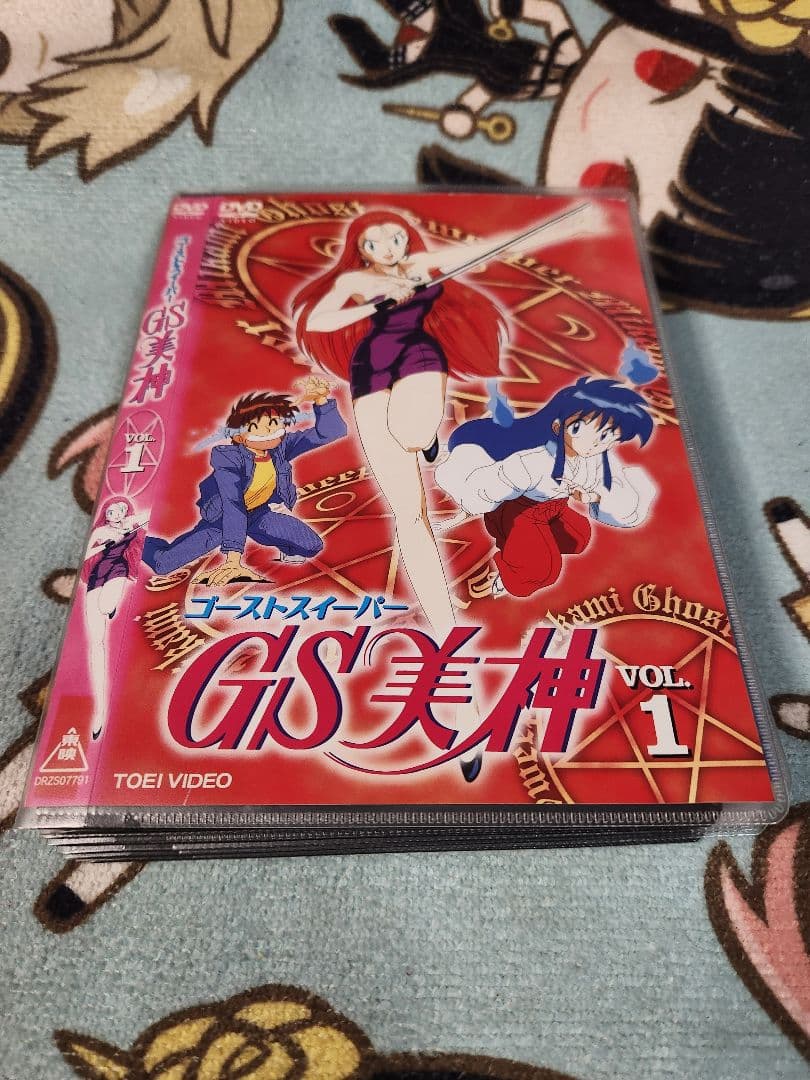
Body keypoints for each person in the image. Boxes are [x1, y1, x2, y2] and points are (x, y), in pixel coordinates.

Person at [294, 206, 600, 778]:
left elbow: (495, 243)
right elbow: (322, 319)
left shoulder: (424, 266)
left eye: (394, 236)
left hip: (418, 361)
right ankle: (461, 699)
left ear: (405, 238)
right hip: (369, 375)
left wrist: (571, 228)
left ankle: (430, 441)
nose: (387, 246)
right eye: (374, 241)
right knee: (409, 519)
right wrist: (374, 304)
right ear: (361, 248)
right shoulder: (354, 279)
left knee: (412, 434)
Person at [435, 376, 655, 597]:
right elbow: (493, 484)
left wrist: (593, 497)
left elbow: (615, 492)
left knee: (579, 537)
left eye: (607, 436)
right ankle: (509, 569)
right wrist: (472, 507)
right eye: (579, 428)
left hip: (554, 508)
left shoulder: (597, 459)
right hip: (519, 511)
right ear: (559, 426)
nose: (595, 443)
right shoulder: (534, 461)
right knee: (542, 571)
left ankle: (519, 548)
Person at [142, 376, 347, 587]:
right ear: (240, 436)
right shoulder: (228, 458)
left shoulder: (280, 448)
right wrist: (233, 560)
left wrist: (321, 400)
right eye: (261, 427)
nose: (271, 430)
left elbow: (332, 432)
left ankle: (280, 543)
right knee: (163, 564)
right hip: (222, 519)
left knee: (311, 545)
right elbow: (233, 505)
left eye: (274, 423)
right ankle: (140, 542)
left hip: (259, 513)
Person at [81, 497, 148, 739]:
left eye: (118, 510)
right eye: (109, 511)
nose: (114, 514)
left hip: (118, 571)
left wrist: (131, 526)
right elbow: (86, 553)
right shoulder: (100, 531)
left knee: (106, 604)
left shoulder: (130, 522)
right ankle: (99, 711)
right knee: (96, 642)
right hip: (97, 577)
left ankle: (110, 607)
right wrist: (105, 544)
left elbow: (153, 514)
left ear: (125, 510)